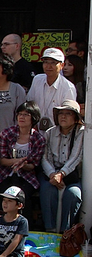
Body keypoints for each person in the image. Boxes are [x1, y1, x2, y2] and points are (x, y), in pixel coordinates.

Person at [0, 101, 45, 221]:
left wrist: (23, 165)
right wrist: (17, 161)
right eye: (20, 114)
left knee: (23, 197)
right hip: (5, 174)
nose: (22, 117)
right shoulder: (7, 134)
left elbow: (33, 165)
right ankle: (2, 227)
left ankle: (24, 230)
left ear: (34, 118)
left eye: (26, 114)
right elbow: (3, 160)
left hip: (26, 176)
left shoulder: (39, 139)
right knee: (4, 195)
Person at [40, 99, 84, 233]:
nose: (63, 116)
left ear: (75, 118)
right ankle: (50, 230)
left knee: (74, 194)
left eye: (68, 113)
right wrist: (53, 174)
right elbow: (45, 157)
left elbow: (76, 156)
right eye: (61, 113)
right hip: (52, 173)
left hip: (70, 174)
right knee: (47, 190)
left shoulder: (81, 132)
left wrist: (62, 174)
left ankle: (66, 232)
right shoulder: (50, 132)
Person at [26, 48, 76, 130]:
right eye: (46, 62)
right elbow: (29, 103)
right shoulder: (37, 79)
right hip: (36, 130)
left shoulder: (68, 87)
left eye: (53, 63)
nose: (48, 66)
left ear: (62, 65)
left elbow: (69, 115)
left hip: (57, 132)